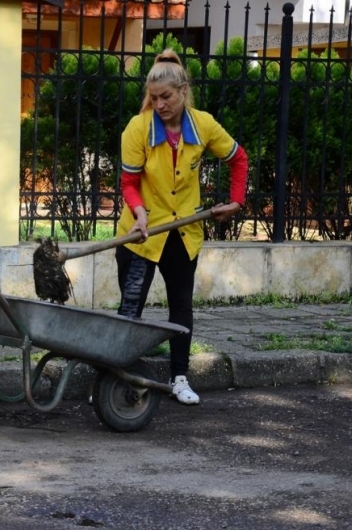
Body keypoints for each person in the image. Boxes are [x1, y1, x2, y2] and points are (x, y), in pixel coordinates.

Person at [116, 49, 247, 405]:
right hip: (140, 235)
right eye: (153, 98)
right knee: (131, 311)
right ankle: (115, 381)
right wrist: (140, 212)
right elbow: (128, 182)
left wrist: (236, 201)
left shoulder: (202, 124)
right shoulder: (137, 128)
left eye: (166, 97)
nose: (159, 104)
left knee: (180, 309)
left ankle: (179, 378)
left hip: (183, 234)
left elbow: (238, 158)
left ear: (183, 90)